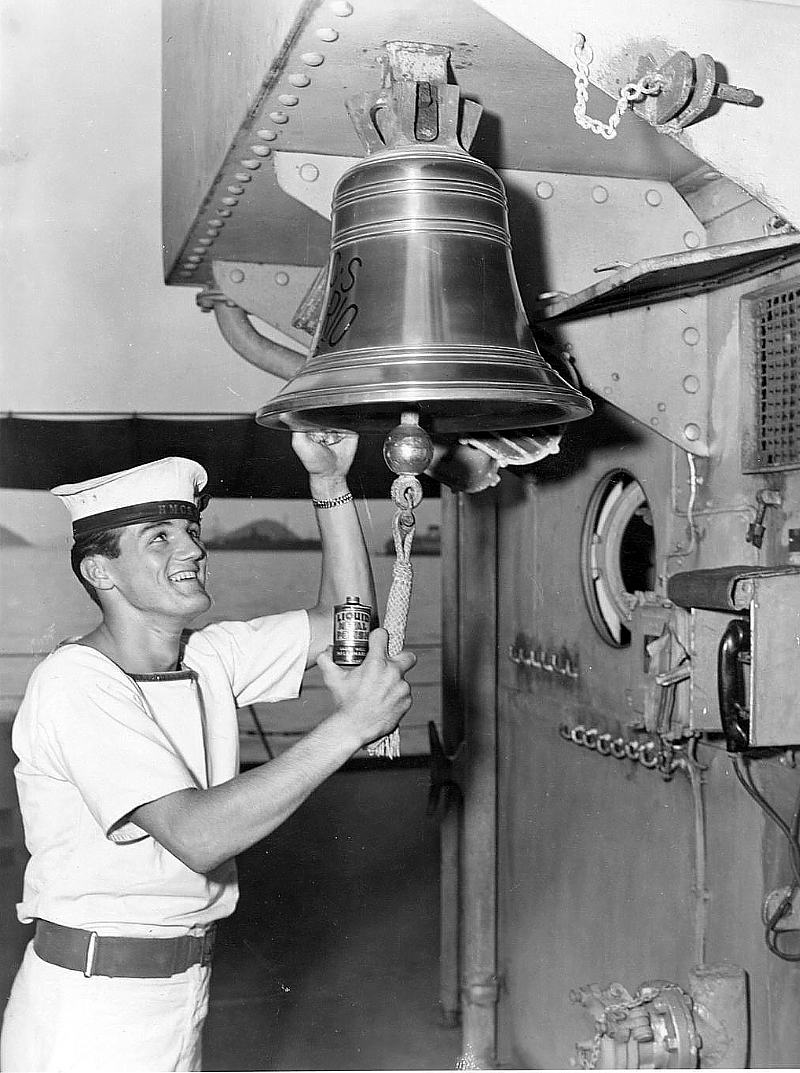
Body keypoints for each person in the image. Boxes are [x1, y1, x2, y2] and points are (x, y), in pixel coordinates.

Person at [0, 434, 415, 1073]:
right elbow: (197, 835)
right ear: (100, 572)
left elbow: (344, 620)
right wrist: (349, 728)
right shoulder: (75, 682)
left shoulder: (207, 656)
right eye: (159, 537)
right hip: (92, 1010)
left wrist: (329, 483)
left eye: (191, 531)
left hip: (181, 991)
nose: (193, 548)